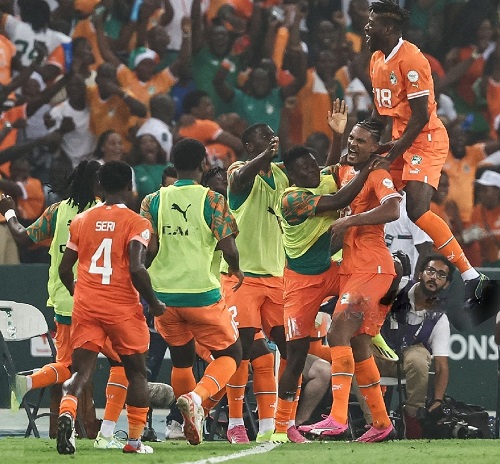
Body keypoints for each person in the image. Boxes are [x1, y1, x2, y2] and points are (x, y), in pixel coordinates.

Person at [364, 0, 489, 323]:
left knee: (417, 210)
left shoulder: (413, 59)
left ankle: (472, 276)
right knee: (369, 189)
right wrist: (358, 138)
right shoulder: (376, 59)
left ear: (388, 29)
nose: (366, 28)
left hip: (426, 139)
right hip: (400, 138)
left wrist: (392, 152)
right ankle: (375, 267)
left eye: (371, 24)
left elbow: (420, 117)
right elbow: (379, 113)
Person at [272, 117, 395, 443]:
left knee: (344, 328)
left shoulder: (328, 175)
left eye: (314, 165)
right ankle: (282, 426)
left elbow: (339, 166)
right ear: (293, 176)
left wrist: (344, 138)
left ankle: (339, 416)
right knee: (296, 355)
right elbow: (341, 199)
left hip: (334, 271)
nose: (313, 172)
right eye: (304, 170)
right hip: (300, 281)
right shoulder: (291, 198)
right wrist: (367, 165)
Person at [0, 160, 130, 449]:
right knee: (122, 362)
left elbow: (23, 237)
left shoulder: (57, 211)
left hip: (64, 301)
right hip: (99, 302)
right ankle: (107, 434)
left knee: (69, 365)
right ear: (100, 183)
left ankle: (30, 383)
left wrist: (8, 211)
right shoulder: (105, 213)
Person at [57, 160, 165, 455]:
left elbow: (65, 269)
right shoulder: (137, 223)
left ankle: (67, 413)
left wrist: (77, 292)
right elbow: (137, 268)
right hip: (122, 307)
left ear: (100, 186)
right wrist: (155, 303)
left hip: (87, 305)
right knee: (137, 373)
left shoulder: (81, 220)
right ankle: (134, 442)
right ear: (130, 187)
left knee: (81, 371)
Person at [141, 138, 243, 446]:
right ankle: (197, 400)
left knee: (181, 359)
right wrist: (235, 268)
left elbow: (150, 249)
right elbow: (228, 247)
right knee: (232, 354)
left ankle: (189, 419)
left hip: (163, 296)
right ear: (203, 164)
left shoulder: (152, 200)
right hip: (201, 293)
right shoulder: (213, 200)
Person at [220, 123, 289, 444]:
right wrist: (265, 156)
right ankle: (234, 422)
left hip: (276, 277)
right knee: (244, 348)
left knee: (285, 350)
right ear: (249, 145)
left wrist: (337, 137)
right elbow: (239, 178)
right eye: (264, 136)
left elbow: (315, 178)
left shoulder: (282, 175)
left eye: (273, 135)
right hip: (242, 278)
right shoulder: (238, 171)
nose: (272, 139)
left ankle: (274, 425)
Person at [372, 255, 453, 439]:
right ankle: (372, 421)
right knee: (359, 351)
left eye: (441, 275)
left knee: (420, 356)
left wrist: (438, 400)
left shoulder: (439, 318)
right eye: (430, 271)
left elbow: (441, 365)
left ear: (446, 284)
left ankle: (412, 416)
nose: (434, 277)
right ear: (420, 274)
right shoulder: (399, 287)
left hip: (406, 363)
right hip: (378, 354)